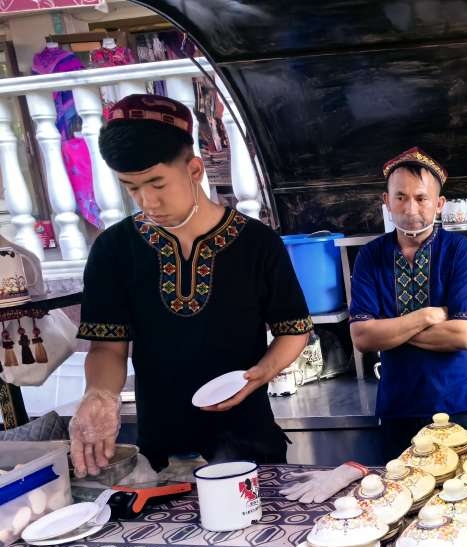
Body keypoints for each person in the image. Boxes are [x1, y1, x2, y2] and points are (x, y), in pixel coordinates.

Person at [71, 94, 312, 476]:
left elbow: (293, 329)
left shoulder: (256, 243)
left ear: (194, 169)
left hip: (250, 445)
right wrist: (99, 394)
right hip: (162, 456)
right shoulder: (114, 249)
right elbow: (107, 348)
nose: (148, 201)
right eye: (132, 188)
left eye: (157, 183)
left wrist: (263, 373)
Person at [348, 147, 467, 459]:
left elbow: (463, 335)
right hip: (399, 409)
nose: (410, 208)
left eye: (421, 198)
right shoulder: (370, 256)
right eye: (400, 197)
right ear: (386, 202)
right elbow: (362, 338)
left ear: (439, 204)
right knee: (398, 488)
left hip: (461, 405)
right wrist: (426, 316)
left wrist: (390, 330)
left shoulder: (460, 252)